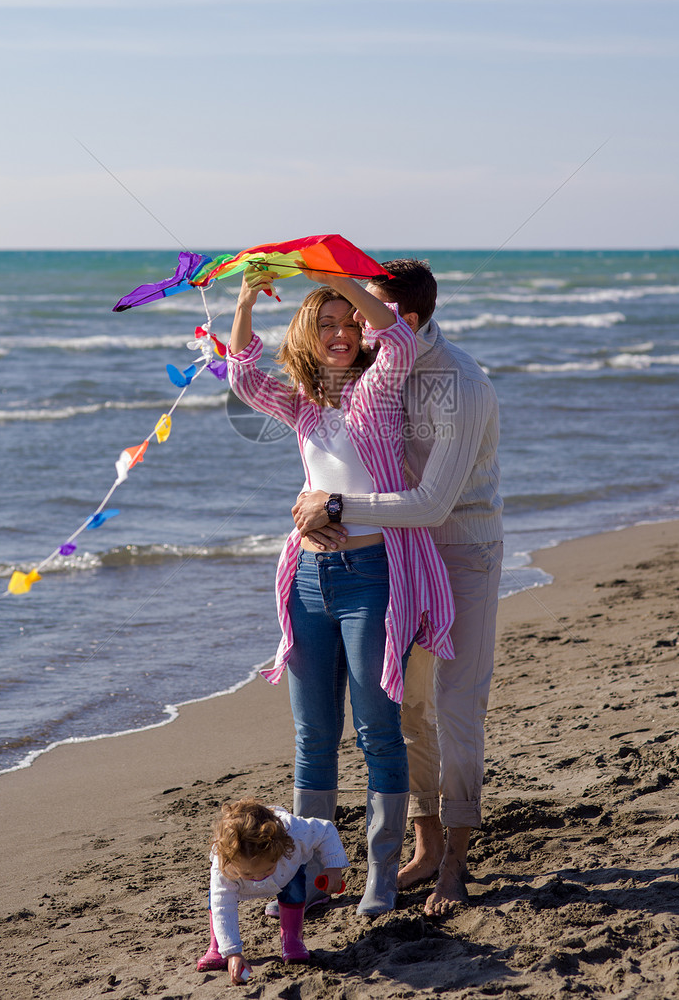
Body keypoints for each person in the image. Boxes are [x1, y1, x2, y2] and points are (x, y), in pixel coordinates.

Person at [227, 265, 455, 917]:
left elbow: (399, 341)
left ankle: (382, 872)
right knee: (313, 737)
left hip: (371, 575)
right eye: (324, 323)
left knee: (378, 731)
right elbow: (242, 376)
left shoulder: (379, 388)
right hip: (306, 578)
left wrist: (341, 283)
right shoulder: (302, 404)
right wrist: (244, 300)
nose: (340, 333)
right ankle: (311, 876)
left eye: (348, 322)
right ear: (306, 332)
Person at [291, 258, 503, 917]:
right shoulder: (378, 369)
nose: (354, 323)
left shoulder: (457, 383)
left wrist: (335, 509)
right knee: (406, 708)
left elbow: (434, 504)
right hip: (395, 556)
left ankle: (457, 869)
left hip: (460, 546)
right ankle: (427, 843)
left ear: (402, 321)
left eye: (365, 310)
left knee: (457, 704)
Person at [196, 797, 348, 982]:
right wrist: (232, 953)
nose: (259, 878)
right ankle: (217, 946)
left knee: (294, 887)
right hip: (236, 878)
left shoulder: (295, 832)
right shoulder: (224, 866)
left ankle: (293, 940)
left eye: (267, 869)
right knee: (218, 898)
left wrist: (332, 867)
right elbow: (223, 907)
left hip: (286, 871)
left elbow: (326, 830)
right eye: (250, 874)